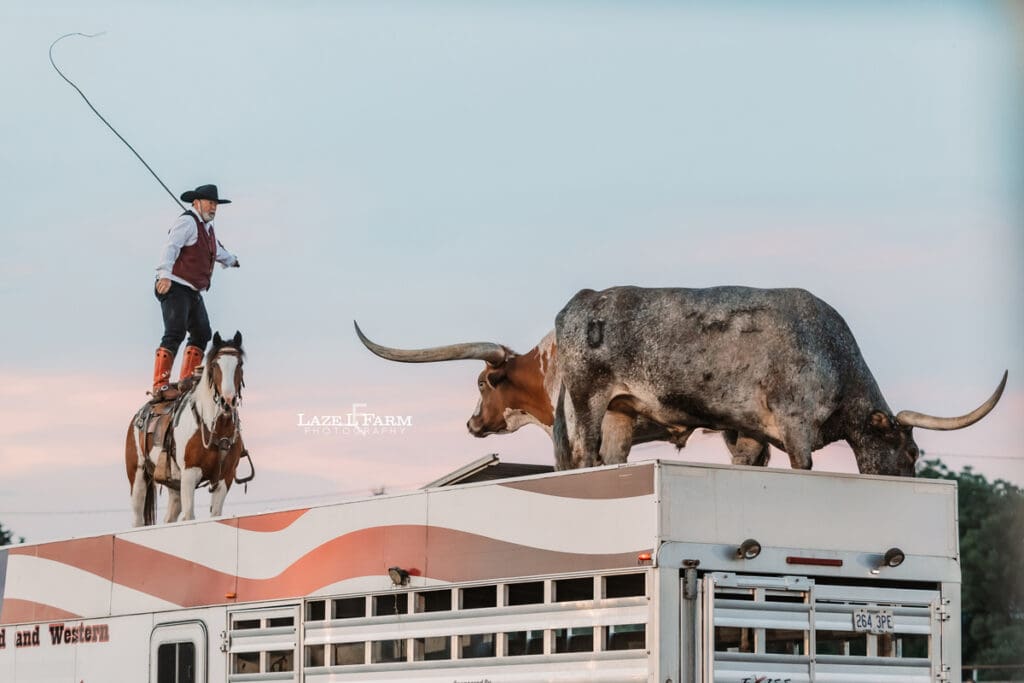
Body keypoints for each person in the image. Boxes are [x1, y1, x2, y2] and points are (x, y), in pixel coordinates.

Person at [151, 184, 240, 398]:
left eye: (216, 204)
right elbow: (171, 246)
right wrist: (164, 274)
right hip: (174, 284)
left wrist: (231, 260)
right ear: (197, 202)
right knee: (175, 332)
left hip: (191, 290)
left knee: (202, 332)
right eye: (210, 203)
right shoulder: (187, 222)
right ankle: (160, 385)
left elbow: (216, 250)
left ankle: (186, 382)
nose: (214, 208)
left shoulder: (208, 229)